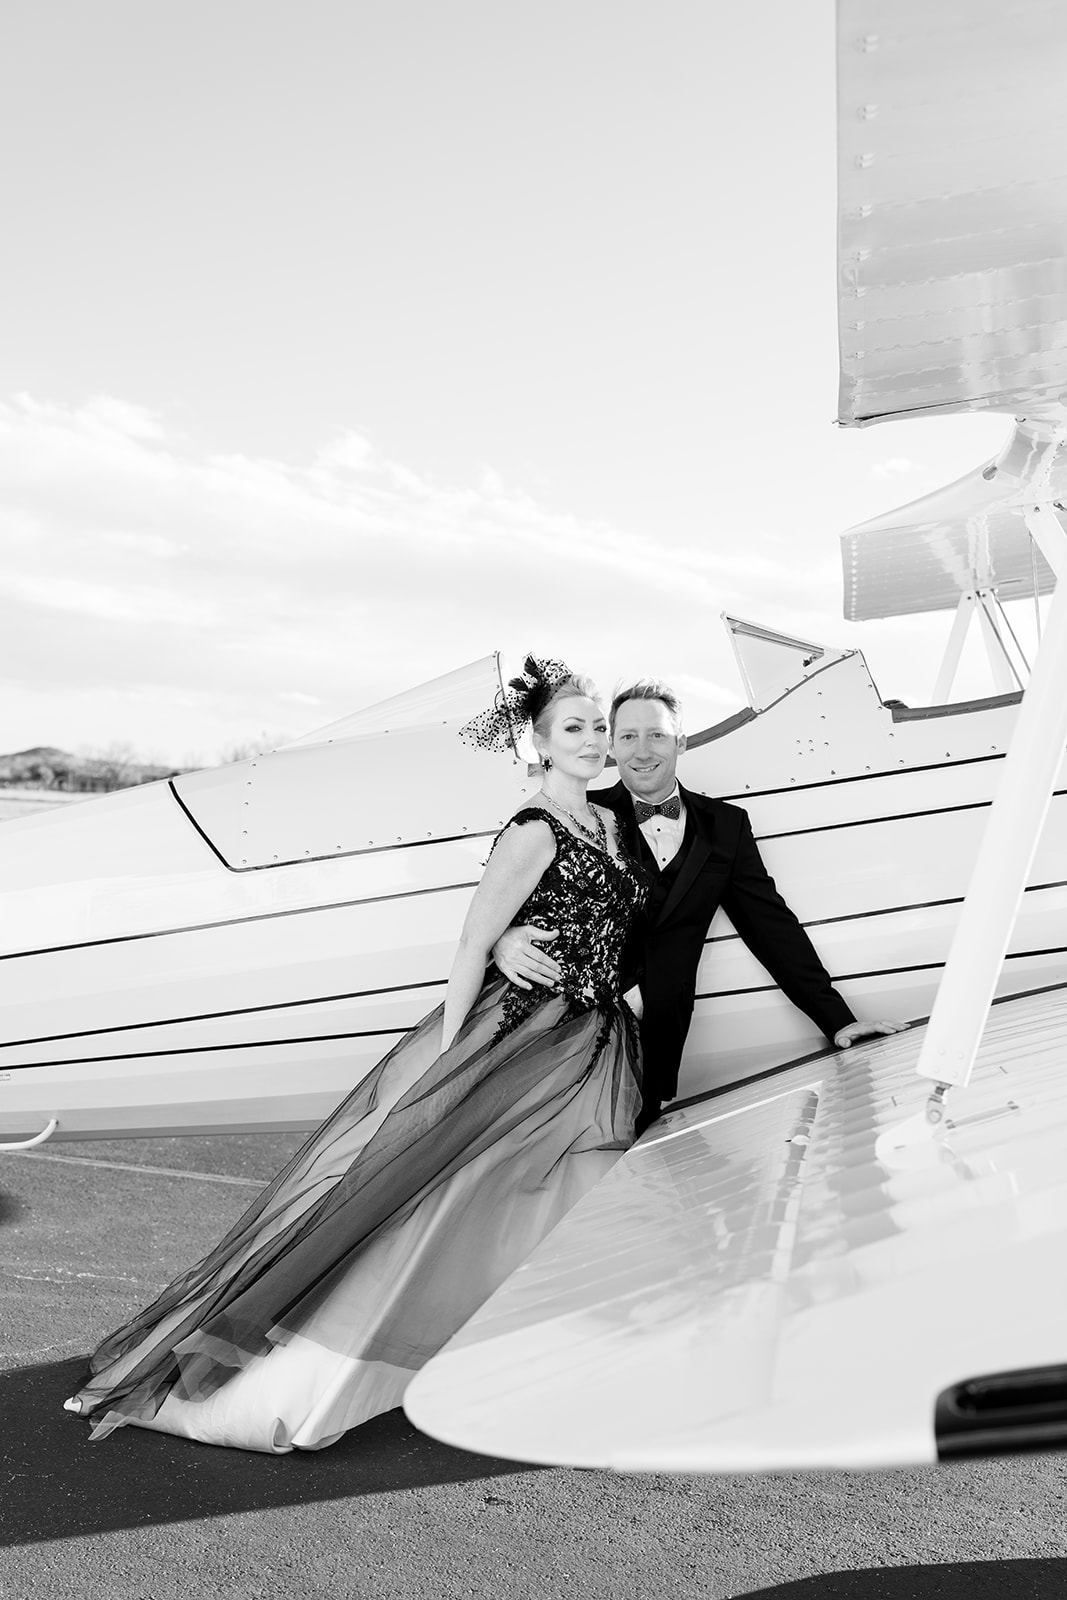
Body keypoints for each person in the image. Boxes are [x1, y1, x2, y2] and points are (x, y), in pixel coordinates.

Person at [63, 658, 647, 1453]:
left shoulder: (610, 825)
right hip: (520, 1033)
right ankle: (310, 1372)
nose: (591, 739)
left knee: (550, 1193)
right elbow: (473, 944)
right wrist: (448, 1067)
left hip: (594, 1037)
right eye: (572, 728)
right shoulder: (533, 828)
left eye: (597, 727)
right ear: (538, 744)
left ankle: (535, 1354)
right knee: (434, 1191)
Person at [493, 678, 906, 1136]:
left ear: (681, 742)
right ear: (611, 745)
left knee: (625, 1178)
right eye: (627, 736)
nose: (642, 751)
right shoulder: (580, 814)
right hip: (566, 1028)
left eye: (657, 735)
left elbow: (772, 929)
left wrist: (839, 1023)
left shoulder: (727, 827)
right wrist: (502, 940)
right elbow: (514, 889)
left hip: (655, 1039)